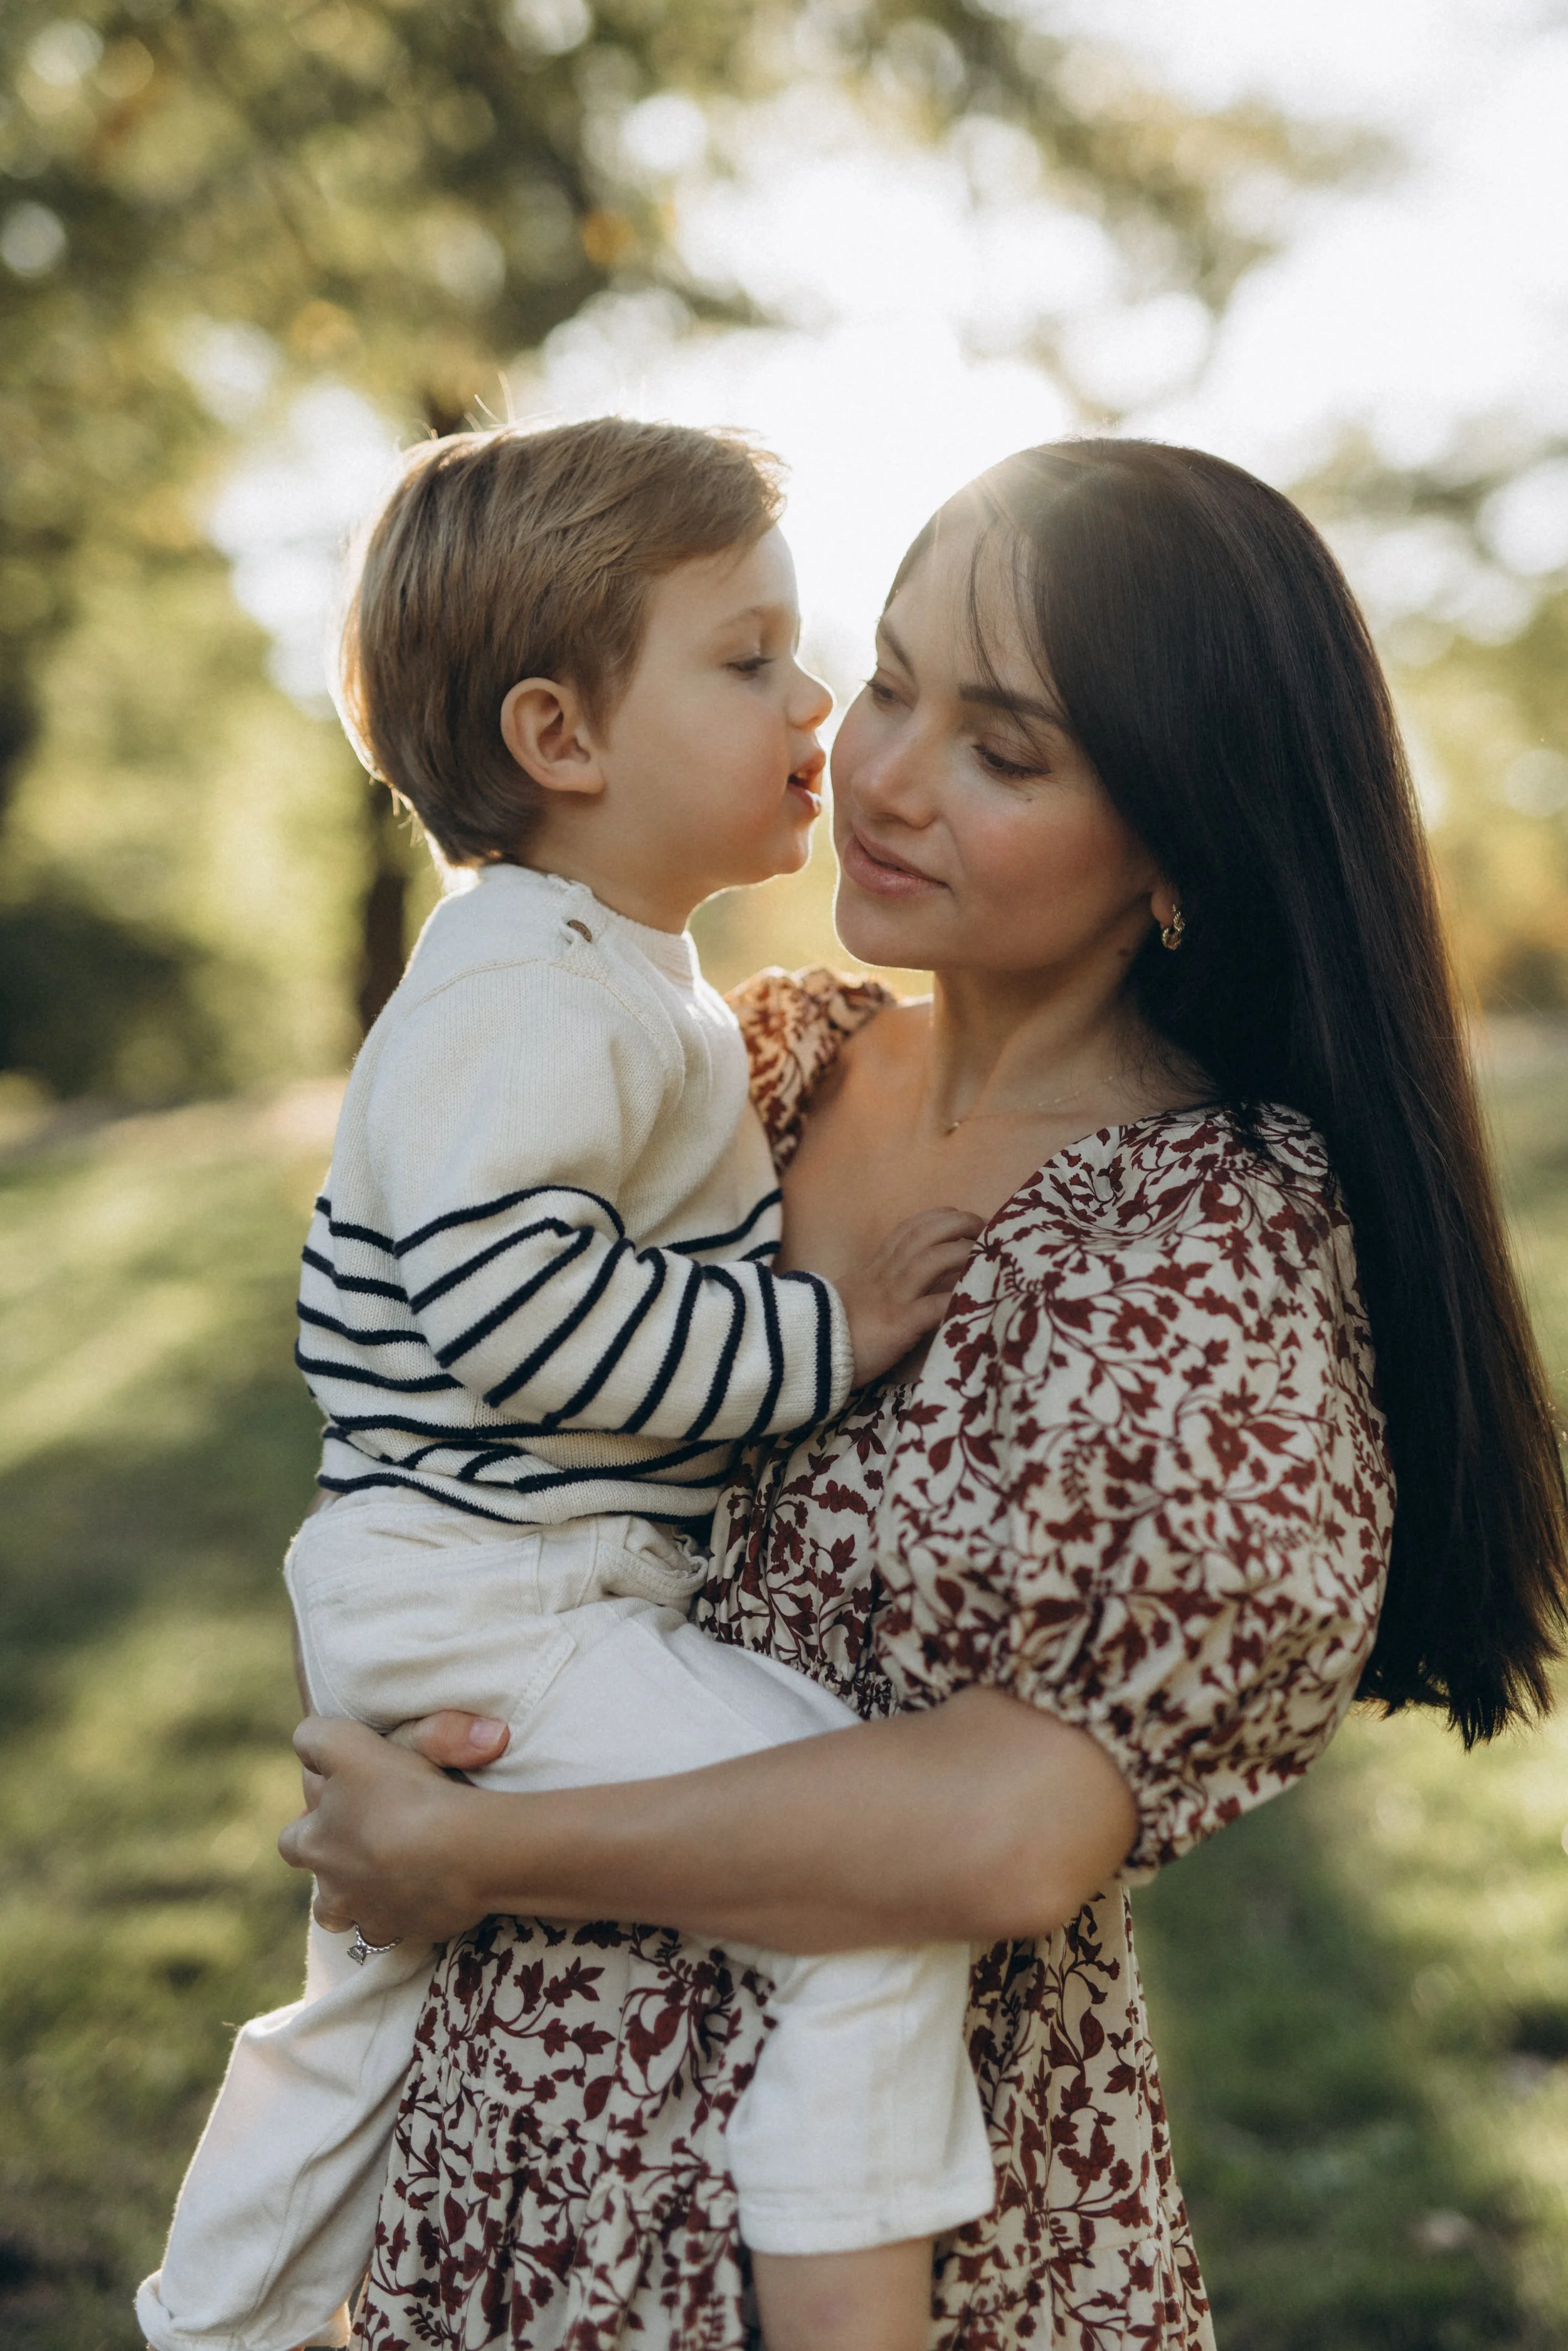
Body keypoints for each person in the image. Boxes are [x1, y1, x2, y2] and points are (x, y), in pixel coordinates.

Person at [281, 436, 1568, 2351]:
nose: (874, 771)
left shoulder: (1192, 1252)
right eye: (887, 680)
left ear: (1183, 846)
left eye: (1004, 749)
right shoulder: (769, 1067)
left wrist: (469, 1853)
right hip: (517, 2185)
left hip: (890, 2247)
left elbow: (1009, 1826)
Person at [136, 417, 1004, 2351]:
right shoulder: (526, 988)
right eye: (752, 657)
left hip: (473, 1590)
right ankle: (846, 2285)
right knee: (867, 1858)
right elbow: (517, 1310)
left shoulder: (604, 967)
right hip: (501, 1598)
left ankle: (223, 2322)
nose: (816, 702)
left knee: (360, 2007)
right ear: (561, 739)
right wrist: (826, 1334)